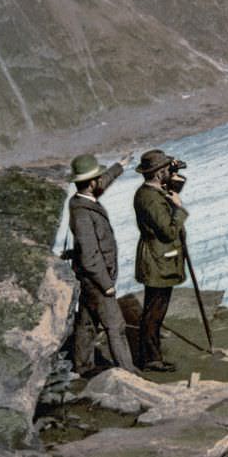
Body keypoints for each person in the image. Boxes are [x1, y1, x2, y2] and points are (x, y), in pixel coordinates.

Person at [67, 152, 138, 376]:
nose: (101, 181)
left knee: (87, 323)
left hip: (89, 280)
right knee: (116, 327)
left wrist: (120, 165)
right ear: (91, 183)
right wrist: (106, 284)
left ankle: (83, 365)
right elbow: (89, 256)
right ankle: (128, 373)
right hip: (96, 280)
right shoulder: (82, 214)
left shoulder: (82, 199)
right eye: (98, 178)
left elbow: (103, 181)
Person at [133, 149, 188, 372]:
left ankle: (150, 354)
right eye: (166, 170)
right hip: (157, 261)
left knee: (155, 309)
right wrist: (179, 207)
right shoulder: (151, 200)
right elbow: (167, 231)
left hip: (159, 259)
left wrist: (173, 169)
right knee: (154, 311)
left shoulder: (151, 191)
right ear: (157, 174)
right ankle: (152, 358)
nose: (169, 172)